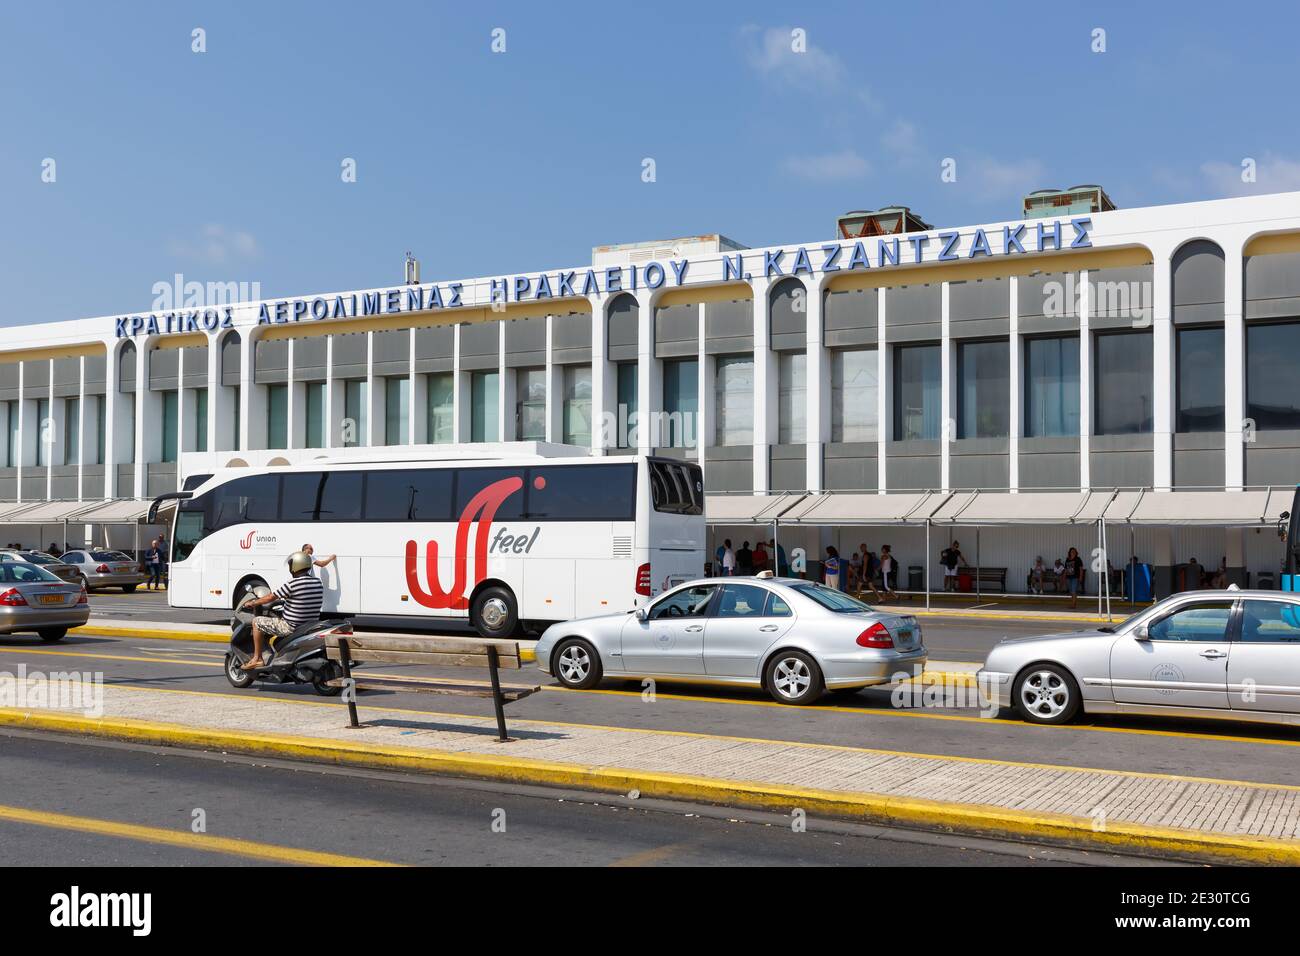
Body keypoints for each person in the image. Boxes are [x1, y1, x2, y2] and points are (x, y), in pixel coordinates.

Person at [240, 551, 325, 672]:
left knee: (256, 622)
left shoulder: (293, 584)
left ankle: (257, 658)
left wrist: (253, 603)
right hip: (309, 625)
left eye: (291, 565)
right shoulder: (318, 582)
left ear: (296, 566)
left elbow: (271, 597)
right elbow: (303, 600)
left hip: (290, 626)